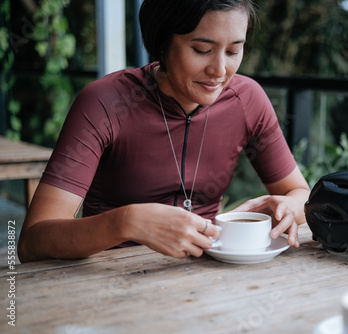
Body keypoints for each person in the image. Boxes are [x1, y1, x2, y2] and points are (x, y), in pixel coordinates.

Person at [18, 0, 310, 263]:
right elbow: (34, 241)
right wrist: (125, 222)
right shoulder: (104, 103)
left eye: (234, 50)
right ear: (162, 42)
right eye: (202, 50)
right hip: (111, 280)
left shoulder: (247, 100)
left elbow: (300, 194)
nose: (220, 70)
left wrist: (288, 206)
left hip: (210, 278)